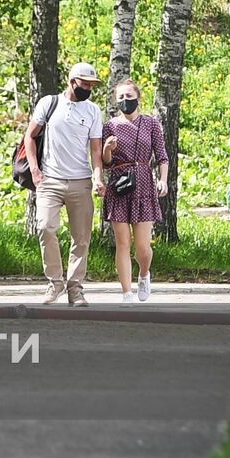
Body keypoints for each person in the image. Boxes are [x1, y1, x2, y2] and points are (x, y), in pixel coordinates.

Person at [24, 61, 106, 306]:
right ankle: (54, 282)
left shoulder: (93, 111)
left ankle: (75, 287)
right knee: (45, 227)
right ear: (72, 82)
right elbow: (30, 135)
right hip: (50, 179)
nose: (89, 88)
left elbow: (95, 150)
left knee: (81, 237)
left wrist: (97, 176)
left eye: (92, 85)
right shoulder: (50, 104)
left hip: (80, 181)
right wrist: (35, 171)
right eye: (85, 84)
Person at [101, 79, 169, 303]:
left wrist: (163, 180)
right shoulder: (110, 126)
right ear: (115, 100)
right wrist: (107, 149)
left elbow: (162, 156)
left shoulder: (151, 124)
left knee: (142, 246)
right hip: (119, 185)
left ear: (138, 98)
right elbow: (106, 162)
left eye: (129, 96)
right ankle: (126, 292)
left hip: (143, 183)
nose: (125, 101)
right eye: (120, 97)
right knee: (123, 243)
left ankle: (144, 274)